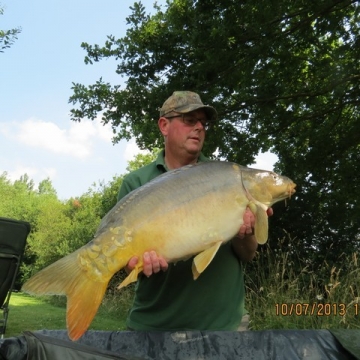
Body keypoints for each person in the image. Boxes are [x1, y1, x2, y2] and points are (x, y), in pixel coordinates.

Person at [117, 90, 271, 331]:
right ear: (164, 125)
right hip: (153, 327)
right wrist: (136, 263)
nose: (199, 127)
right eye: (190, 120)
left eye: (203, 122)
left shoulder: (226, 177)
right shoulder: (137, 182)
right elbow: (126, 260)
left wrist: (246, 232)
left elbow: (248, 254)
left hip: (225, 326)